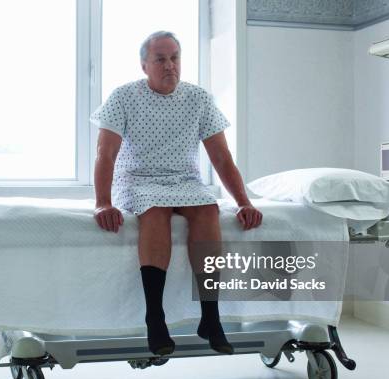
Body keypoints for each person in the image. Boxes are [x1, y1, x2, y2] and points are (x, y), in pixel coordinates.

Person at [90, 31, 262, 356]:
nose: (170, 66)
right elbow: (105, 154)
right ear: (144, 65)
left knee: (208, 209)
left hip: (185, 180)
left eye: (175, 58)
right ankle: (155, 318)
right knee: (156, 212)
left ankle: (210, 317)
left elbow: (222, 157)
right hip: (138, 180)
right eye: (160, 59)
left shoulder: (198, 98)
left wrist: (243, 202)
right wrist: (102, 203)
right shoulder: (123, 97)